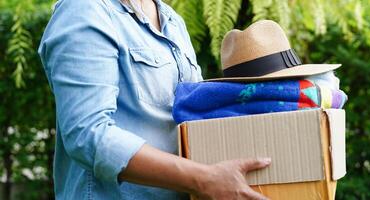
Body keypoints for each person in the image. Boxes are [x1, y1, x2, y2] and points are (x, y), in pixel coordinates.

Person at [38, 0, 271, 199]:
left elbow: (194, 115)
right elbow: (88, 134)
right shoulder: (85, 10)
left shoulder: (172, 20)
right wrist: (203, 179)